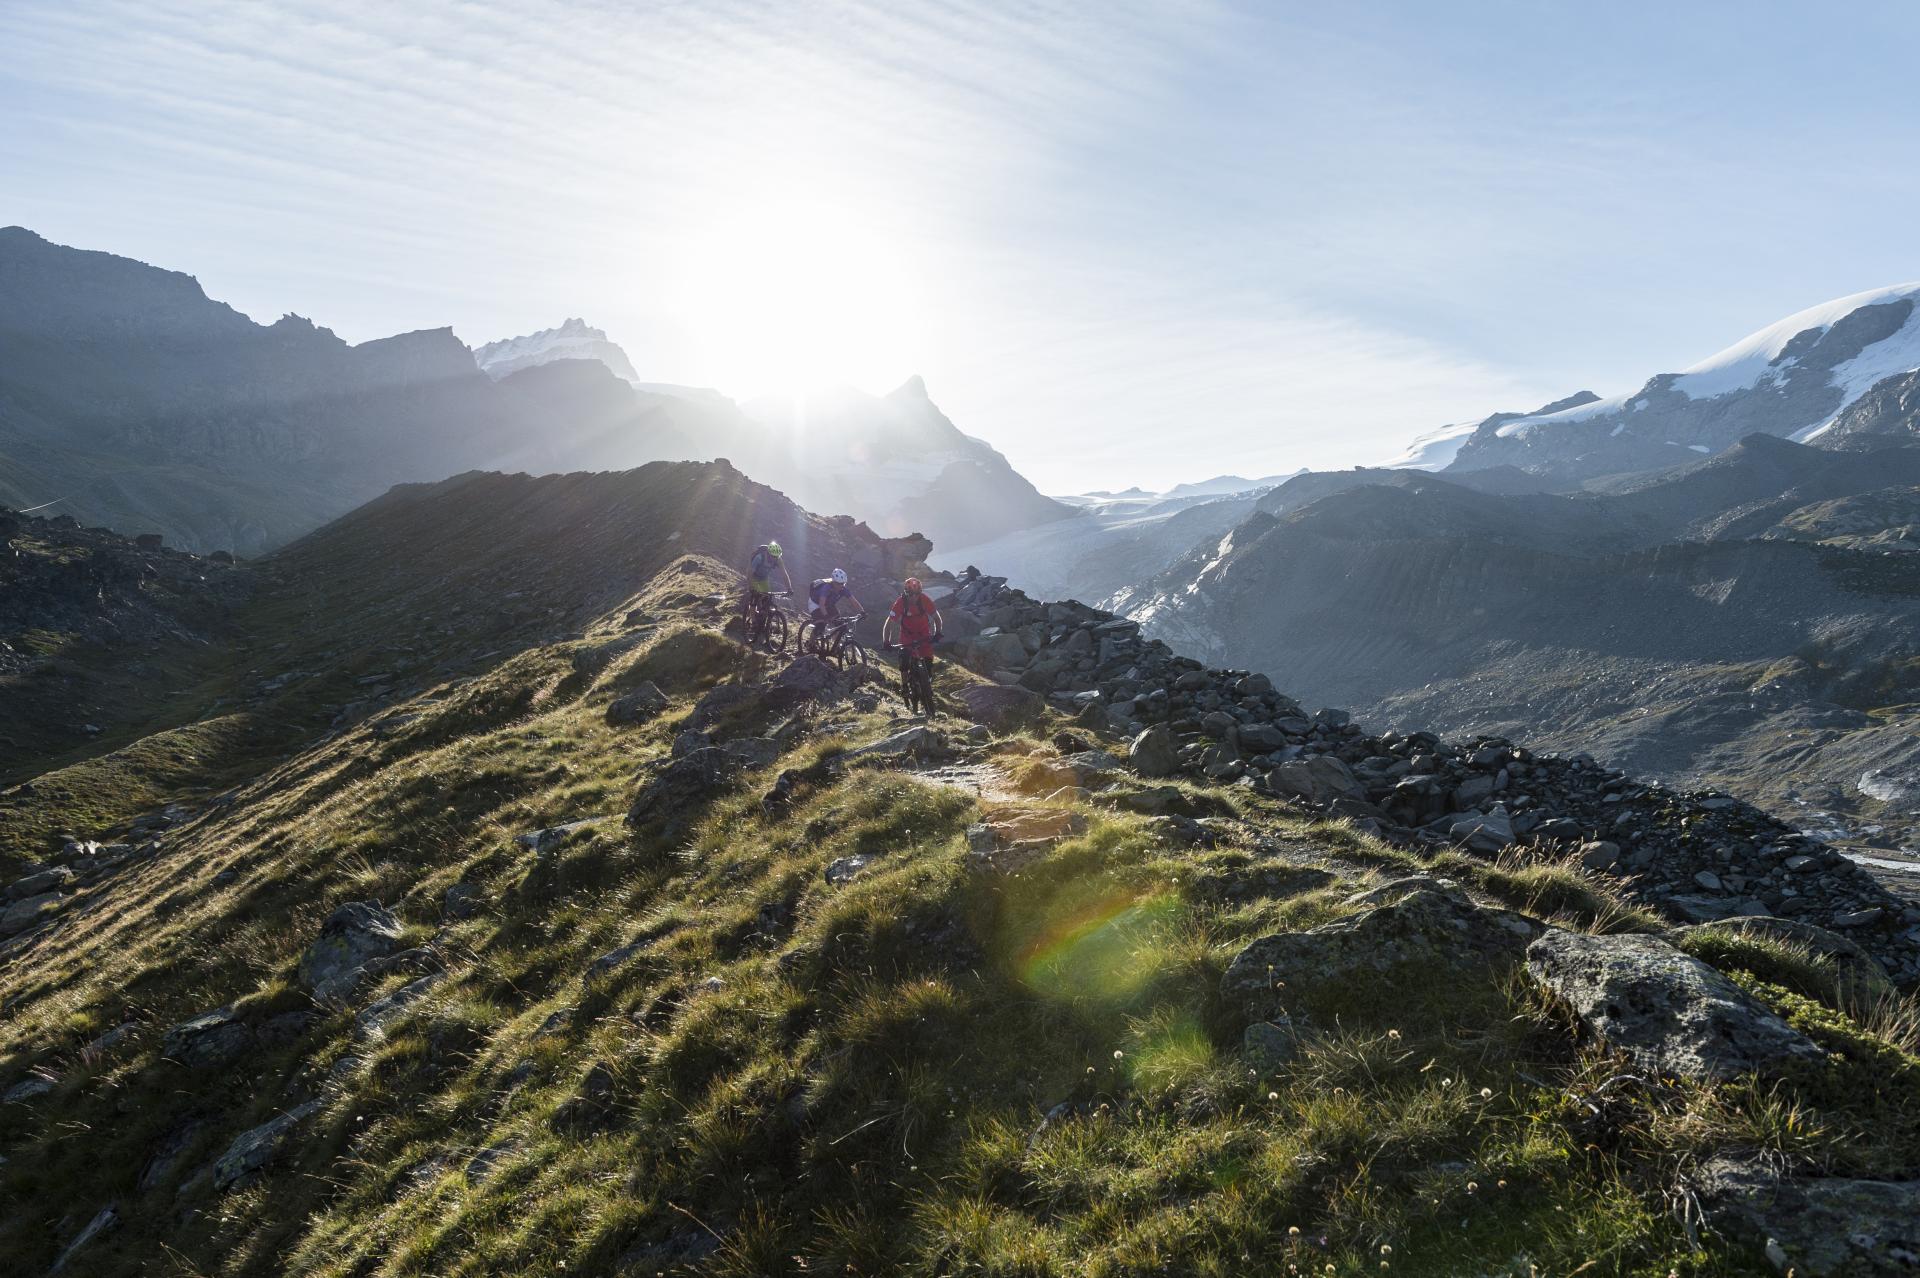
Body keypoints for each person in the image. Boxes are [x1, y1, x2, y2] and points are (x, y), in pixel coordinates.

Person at [882, 576, 943, 698]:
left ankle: (926, 684)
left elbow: (937, 618)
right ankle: (904, 686)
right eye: (911, 594)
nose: (914, 597)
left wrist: (938, 633)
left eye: (916, 594)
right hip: (907, 636)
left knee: (928, 662)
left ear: (920, 593)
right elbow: (889, 623)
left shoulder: (925, 599)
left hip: (923, 635)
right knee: (904, 660)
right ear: (906, 593)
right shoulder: (900, 602)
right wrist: (886, 641)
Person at [744, 540, 793, 622]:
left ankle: (762, 617)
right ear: (768, 553)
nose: (775, 558)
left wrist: (789, 588)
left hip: (764, 578)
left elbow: (784, 574)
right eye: (773, 556)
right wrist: (750, 586)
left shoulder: (778, 559)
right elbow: (750, 572)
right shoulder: (759, 557)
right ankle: (753, 620)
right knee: (755, 596)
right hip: (753, 577)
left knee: (766, 597)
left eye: (777, 556)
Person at [806, 568, 864, 632]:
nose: (841, 586)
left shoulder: (843, 589)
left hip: (828, 604)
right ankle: (811, 642)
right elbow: (821, 604)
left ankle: (835, 640)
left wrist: (862, 611)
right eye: (839, 584)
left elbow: (854, 601)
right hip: (815, 604)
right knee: (820, 627)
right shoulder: (826, 588)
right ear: (833, 582)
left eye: (843, 583)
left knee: (841, 625)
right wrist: (826, 616)